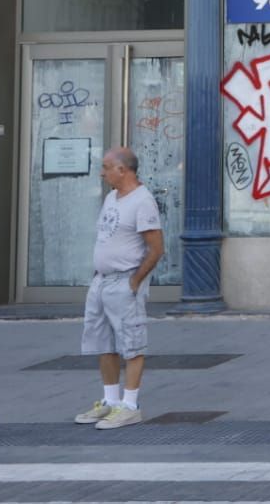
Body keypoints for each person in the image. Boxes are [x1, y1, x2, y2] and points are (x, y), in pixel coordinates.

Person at [73, 147, 163, 430]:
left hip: (123, 281)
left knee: (131, 343)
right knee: (104, 342)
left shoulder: (142, 202)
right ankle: (110, 401)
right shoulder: (112, 197)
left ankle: (130, 405)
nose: (102, 172)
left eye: (106, 166)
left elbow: (156, 248)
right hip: (101, 281)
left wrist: (134, 282)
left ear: (123, 170)